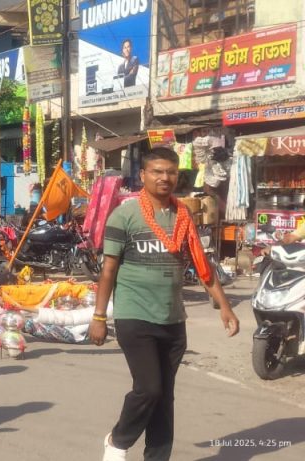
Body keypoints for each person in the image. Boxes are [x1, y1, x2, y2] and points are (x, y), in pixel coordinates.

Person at [90, 147, 239, 461]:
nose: (164, 178)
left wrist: (224, 306)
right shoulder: (124, 215)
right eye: (157, 171)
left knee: (164, 398)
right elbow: (109, 270)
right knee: (149, 389)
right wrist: (99, 316)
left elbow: (201, 264)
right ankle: (118, 441)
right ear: (143, 175)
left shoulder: (183, 216)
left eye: (170, 172)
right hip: (135, 315)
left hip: (172, 319)